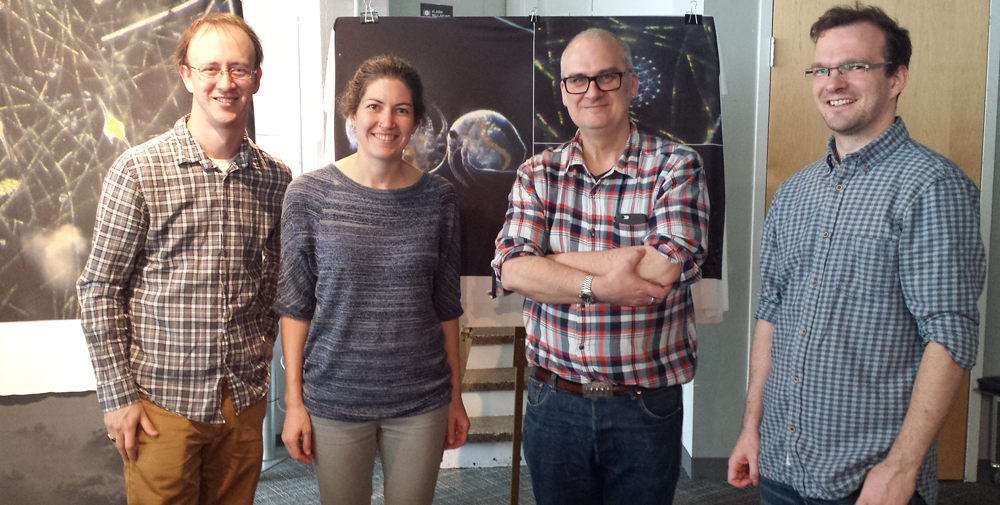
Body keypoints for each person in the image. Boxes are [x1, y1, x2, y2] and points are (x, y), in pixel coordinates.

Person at [727, 5, 986, 505]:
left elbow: (950, 332)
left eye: (854, 66)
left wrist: (901, 466)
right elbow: (770, 315)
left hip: (870, 482)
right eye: (821, 68)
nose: (833, 81)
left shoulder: (932, 187)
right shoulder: (795, 192)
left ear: (896, 79)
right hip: (781, 465)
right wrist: (751, 426)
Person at [76, 12, 291, 504]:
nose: (225, 82)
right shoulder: (138, 169)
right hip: (160, 406)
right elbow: (99, 288)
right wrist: (117, 396)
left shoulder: (275, 177)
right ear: (186, 74)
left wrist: (264, 332)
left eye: (239, 68)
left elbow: (274, 271)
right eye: (210, 68)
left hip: (243, 400)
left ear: (257, 77)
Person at [492, 28, 710, 505]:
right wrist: (598, 283)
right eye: (578, 80)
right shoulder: (536, 173)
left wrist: (549, 264)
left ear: (631, 84)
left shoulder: (676, 166)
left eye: (606, 77)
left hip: (643, 405)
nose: (591, 90)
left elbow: (665, 265)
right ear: (564, 92)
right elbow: (510, 269)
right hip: (553, 403)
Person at [277, 55, 469, 505]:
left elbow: (446, 307)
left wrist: (455, 397)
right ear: (353, 114)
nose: (387, 120)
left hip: (421, 399)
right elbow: (295, 304)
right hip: (335, 400)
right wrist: (294, 403)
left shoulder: (439, 198)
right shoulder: (309, 194)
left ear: (417, 121)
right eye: (374, 106)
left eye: (401, 109)